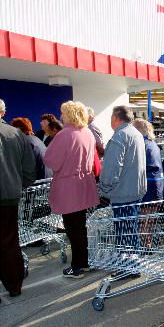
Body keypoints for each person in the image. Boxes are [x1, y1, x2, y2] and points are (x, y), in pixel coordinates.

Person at [43, 101, 100, 279]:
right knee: (80, 227)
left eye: (63, 113)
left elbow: (51, 161)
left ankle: (77, 266)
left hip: (69, 187)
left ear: (69, 114)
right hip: (84, 184)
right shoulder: (88, 133)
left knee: (72, 228)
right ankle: (84, 262)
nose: (61, 116)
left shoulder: (64, 134)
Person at [0, 119, 36, 302]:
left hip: (9, 193)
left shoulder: (15, 133)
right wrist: (20, 185)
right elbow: (30, 167)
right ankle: (14, 285)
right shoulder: (16, 134)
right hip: (10, 196)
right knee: (9, 240)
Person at [100, 105, 147, 224]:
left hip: (123, 194)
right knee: (130, 234)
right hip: (136, 191)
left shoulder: (120, 135)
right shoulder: (136, 133)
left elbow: (112, 167)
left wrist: (105, 188)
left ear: (115, 117)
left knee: (124, 237)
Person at [132, 119, 164, 203]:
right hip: (157, 183)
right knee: (151, 213)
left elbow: (134, 165)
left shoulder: (142, 144)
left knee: (145, 214)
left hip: (148, 185)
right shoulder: (152, 143)